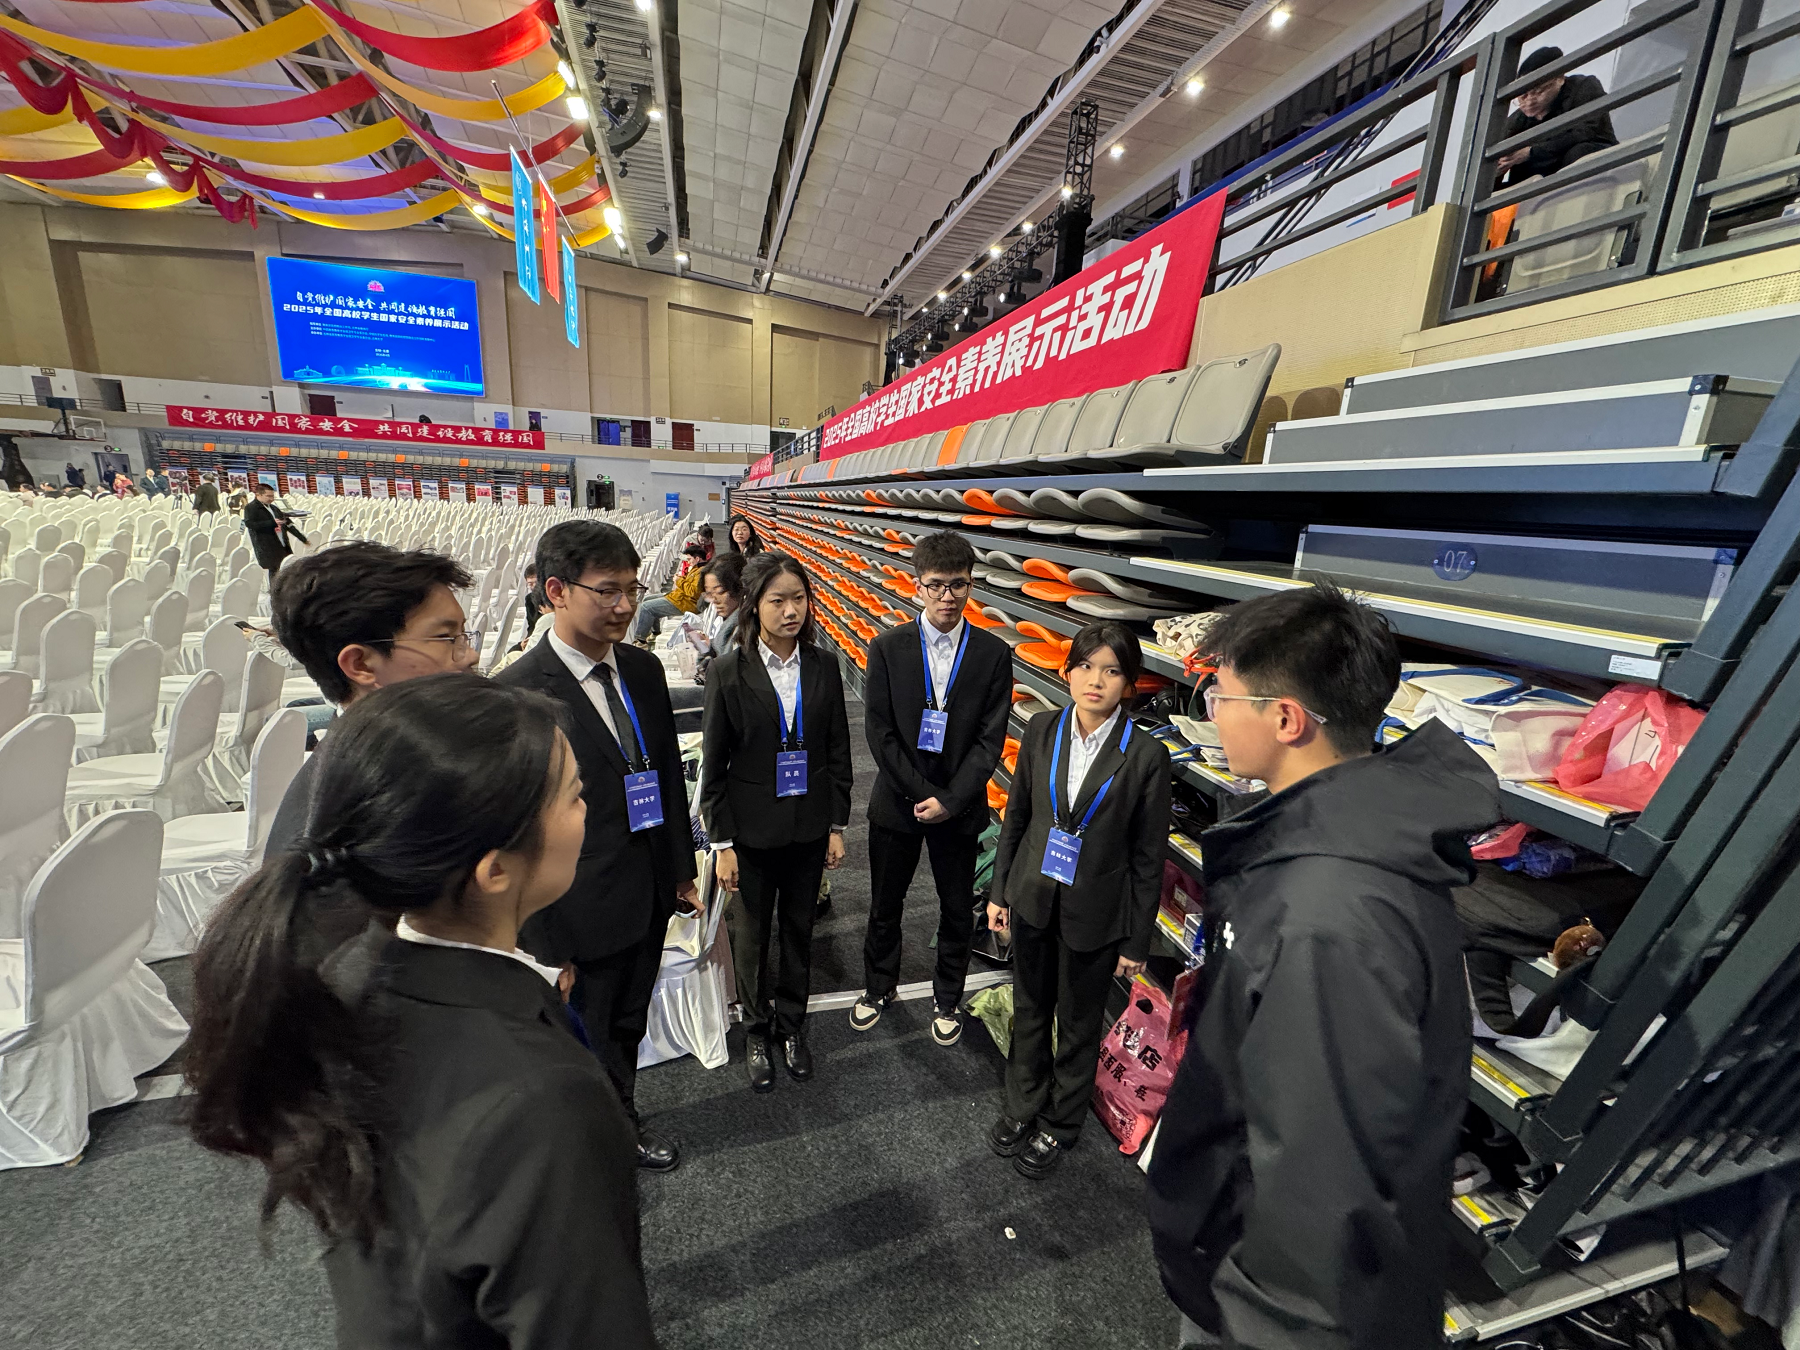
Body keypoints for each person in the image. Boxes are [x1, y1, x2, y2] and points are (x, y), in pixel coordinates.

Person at [183, 675, 657, 1348]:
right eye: (575, 795)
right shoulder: (538, 1098)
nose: (589, 808)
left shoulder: (349, 972)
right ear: (495, 870)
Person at [1144, 584, 1500, 1350]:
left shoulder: (1325, 917)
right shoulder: (1351, 843)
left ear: (1286, 719)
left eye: (1221, 695)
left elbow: (1323, 1182)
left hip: (1272, 1309)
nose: (1211, 711)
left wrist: (1262, 1319)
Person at [496, 520, 700, 1173]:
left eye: (632, 590)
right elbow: (517, 829)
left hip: (647, 886)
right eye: (606, 590)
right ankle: (601, 1140)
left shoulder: (640, 669)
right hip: (579, 904)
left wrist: (680, 871)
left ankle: (618, 1121)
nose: (624, 605)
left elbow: (663, 774)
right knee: (587, 1034)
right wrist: (544, 941)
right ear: (556, 590)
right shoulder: (520, 692)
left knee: (628, 1024)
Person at [988, 621, 1170, 1180]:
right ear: (1068, 672)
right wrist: (999, 891)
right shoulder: (1042, 729)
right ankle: (1022, 1103)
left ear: (1129, 684)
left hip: (1096, 910)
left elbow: (1148, 857)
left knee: (1079, 1021)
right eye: (1086, 666)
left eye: (1111, 671)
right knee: (1029, 1007)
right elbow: (1017, 816)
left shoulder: (1145, 755)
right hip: (1033, 895)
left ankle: (1061, 1122)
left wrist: (1136, 941)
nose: (1096, 681)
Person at [700, 551, 852, 1092]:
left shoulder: (823, 665)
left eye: (799, 599)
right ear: (754, 604)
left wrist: (836, 825)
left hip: (808, 826)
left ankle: (792, 1026)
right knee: (751, 938)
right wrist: (721, 843)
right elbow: (714, 764)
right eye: (778, 601)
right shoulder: (728, 671)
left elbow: (837, 750)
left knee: (798, 931)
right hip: (750, 832)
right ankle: (756, 1030)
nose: (791, 611)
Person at [851, 530, 1011, 1044]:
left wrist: (951, 799)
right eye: (937, 585)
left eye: (958, 585)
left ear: (971, 586)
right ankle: (878, 987)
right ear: (917, 586)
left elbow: (989, 739)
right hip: (897, 801)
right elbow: (879, 732)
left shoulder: (991, 653)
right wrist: (923, 791)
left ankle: (947, 997)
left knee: (956, 908)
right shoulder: (887, 648)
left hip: (959, 807)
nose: (948, 596)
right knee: (885, 904)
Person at [265, 543, 479, 859]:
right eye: (445, 638)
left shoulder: (423, 750)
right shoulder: (337, 834)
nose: (470, 655)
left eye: (463, 634)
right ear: (361, 665)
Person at [1498, 46, 1617, 184]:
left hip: (1589, 165)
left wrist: (1531, 152)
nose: (1529, 101)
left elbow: (1588, 131)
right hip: (1544, 179)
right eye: (1523, 96)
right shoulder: (1517, 120)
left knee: (1580, 153)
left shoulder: (1583, 87)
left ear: (1560, 79)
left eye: (1538, 91)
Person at [630, 540, 707, 644]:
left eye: (689, 559)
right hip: (680, 598)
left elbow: (693, 592)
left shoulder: (701, 572)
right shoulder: (697, 569)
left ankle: (640, 639)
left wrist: (679, 580)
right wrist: (681, 579)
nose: (688, 562)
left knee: (646, 607)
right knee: (647, 599)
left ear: (697, 559)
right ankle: (655, 633)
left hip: (685, 603)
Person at [244, 482, 294, 587]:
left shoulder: (272, 507)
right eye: (269, 496)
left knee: (282, 568)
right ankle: (274, 590)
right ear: (258, 495)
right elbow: (250, 524)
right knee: (274, 569)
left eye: (272, 496)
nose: (272, 499)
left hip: (279, 541)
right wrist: (272, 523)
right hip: (266, 542)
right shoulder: (251, 508)